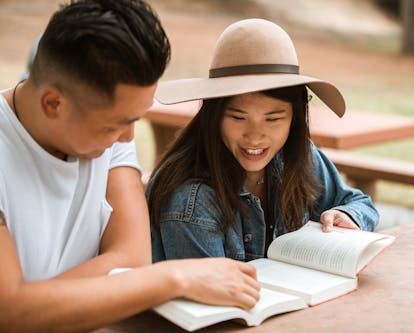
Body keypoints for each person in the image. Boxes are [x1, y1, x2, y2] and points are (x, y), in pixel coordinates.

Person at [0, 1, 260, 332]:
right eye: (115, 124)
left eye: (135, 119)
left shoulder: (108, 140)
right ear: (54, 103)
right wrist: (172, 277)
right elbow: (9, 313)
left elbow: (133, 260)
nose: (128, 137)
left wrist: (37, 303)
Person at [147, 18, 379, 262]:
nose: (255, 137)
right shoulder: (191, 201)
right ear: (214, 117)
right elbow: (208, 294)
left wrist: (347, 215)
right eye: (238, 117)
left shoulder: (297, 156)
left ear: (295, 118)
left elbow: (359, 202)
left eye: (273, 119)